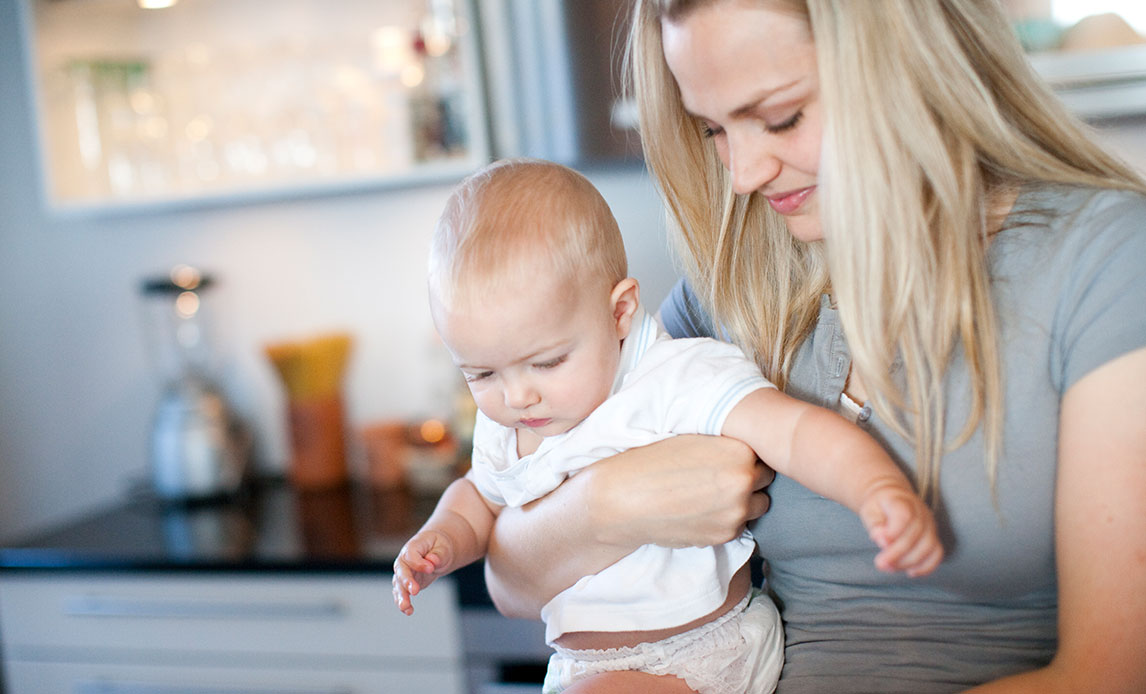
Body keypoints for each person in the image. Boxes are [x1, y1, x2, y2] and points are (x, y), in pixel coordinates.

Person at [480, 1, 1146, 693]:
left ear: (905, 60)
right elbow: (512, 580)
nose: (743, 174)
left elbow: (1112, 674)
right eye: (713, 128)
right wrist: (606, 505)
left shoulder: (1105, 259)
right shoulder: (734, 287)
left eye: (781, 118)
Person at [392, 158, 943, 694]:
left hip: (696, 653)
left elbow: (794, 431)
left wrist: (877, 489)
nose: (517, 396)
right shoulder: (506, 426)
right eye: (482, 373)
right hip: (584, 665)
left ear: (620, 312)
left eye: (548, 362)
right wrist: (440, 540)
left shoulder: (673, 375)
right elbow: (479, 501)